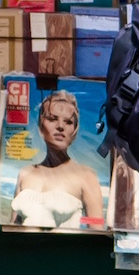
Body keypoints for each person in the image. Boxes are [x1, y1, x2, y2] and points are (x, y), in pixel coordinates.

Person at [11, 89, 105, 229]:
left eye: (68, 122)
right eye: (52, 119)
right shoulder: (25, 174)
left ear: (75, 130)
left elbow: (96, 228)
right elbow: (13, 227)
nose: (60, 126)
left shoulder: (86, 176)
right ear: (40, 126)